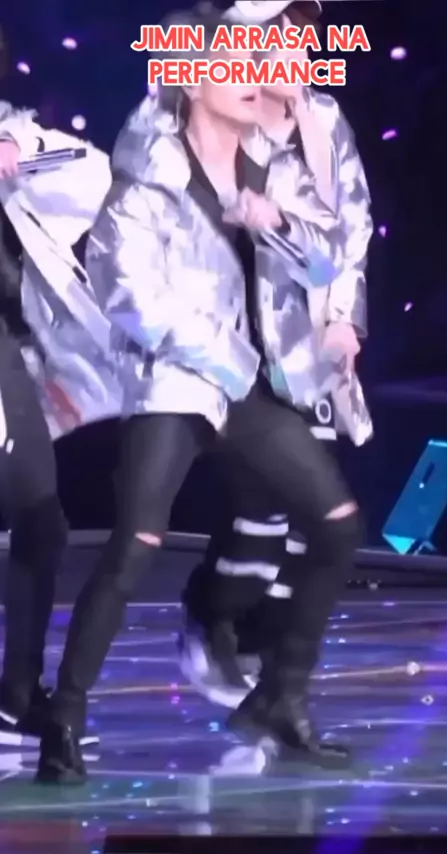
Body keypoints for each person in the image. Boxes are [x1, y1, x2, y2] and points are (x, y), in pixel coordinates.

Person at [35, 6, 359, 784]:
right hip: (176, 382)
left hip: (244, 383)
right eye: (232, 65)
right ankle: (63, 721)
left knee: (339, 526)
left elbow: (327, 263)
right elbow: (128, 294)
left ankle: (279, 698)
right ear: (189, 80)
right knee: (134, 548)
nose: (252, 78)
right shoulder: (146, 177)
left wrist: (279, 224)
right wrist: (224, 359)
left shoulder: (269, 167)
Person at [180, 0, 373, 708]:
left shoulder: (324, 121)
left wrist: (346, 320)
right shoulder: (213, 112)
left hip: (306, 344)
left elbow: (352, 229)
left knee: (309, 525)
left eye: (304, 34)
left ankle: (267, 666)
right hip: (234, 346)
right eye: (281, 34)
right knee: (262, 514)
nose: (298, 46)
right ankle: (212, 617)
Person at [0, 37, 111, 749]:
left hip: (9, 351)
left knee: (42, 522)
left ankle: (16, 694)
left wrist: (18, 151)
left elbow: (91, 170)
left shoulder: (13, 134)